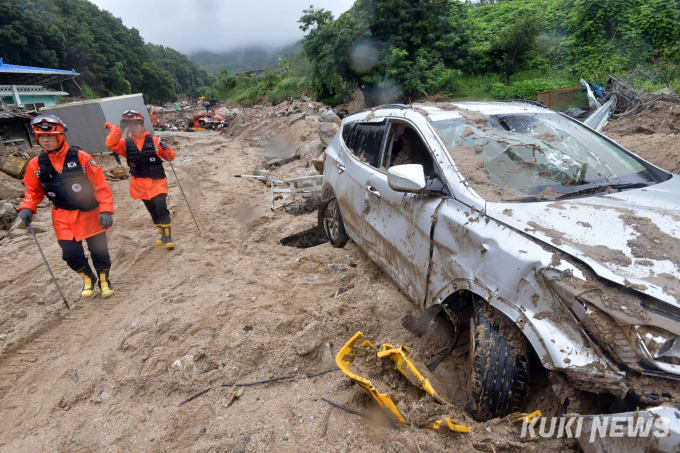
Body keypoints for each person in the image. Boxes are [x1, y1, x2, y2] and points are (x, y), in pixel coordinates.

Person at [17, 115, 115, 299]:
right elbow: (33, 190)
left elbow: (101, 186)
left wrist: (106, 209)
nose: (45, 140)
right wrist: (28, 206)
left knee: (99, 252)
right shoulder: (35, 164)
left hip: (90, 214)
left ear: (61, 136)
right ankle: (88, 277)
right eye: (41, 137)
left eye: (50, 136)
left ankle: (104, 280)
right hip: (62, 217)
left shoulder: (82, 158)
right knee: (70, 255)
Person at [104, 110, 177, 249]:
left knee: (161, 208)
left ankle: (168, 238)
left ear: (142, 124)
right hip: (140, 184)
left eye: (136, 124)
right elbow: (111, 144)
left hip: (158, 182)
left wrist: (166, 148)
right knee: (153, 211)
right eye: (130, 125)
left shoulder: (155, 141)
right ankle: (162, 235)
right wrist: (119, 128)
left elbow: (170, 157)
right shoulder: (125, 143)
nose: (133, 127)